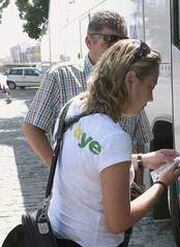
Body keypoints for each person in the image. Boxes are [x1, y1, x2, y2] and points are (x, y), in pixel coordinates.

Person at [48, 39, 180, 247]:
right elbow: (119, 221)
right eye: (151, 86)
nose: (152, 97)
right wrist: (162, 183)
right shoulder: (114, 137)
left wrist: (144, 159)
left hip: (60, 245)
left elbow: (88, 160)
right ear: (131, 79)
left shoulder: (74, 107)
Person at [22, 11, 152, 177]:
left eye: (123, 43)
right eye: (109, 41)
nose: (117, 50)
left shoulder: (130, 80)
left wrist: (138, 180)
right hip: (79, 194)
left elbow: (140, 138)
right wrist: (60, 173)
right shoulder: (60, 76)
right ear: (89, 42)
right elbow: (32, 127)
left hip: (121, 187)